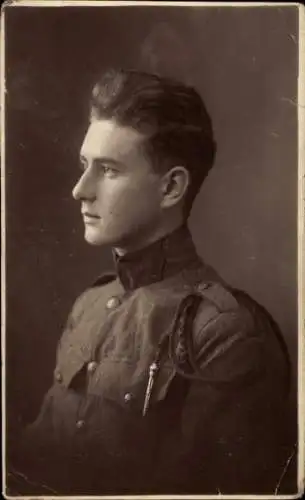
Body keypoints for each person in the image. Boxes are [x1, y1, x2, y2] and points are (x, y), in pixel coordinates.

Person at [9, 69, 294, 495]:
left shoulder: (224, 332)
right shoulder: (89, 305)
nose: (78, 190)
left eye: (107, 170)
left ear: (172, 187)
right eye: (84, 166)